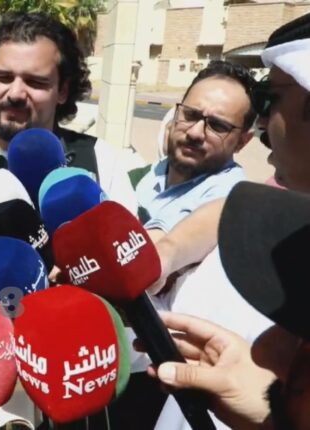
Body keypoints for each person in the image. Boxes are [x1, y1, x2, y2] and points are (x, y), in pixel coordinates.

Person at [147, 11, 310, 429]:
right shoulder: (284, 201)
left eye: (271, 99)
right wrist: (165, 252)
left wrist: (276, 416)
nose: (264, 122)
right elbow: (239, 208)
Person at [0, 12, 139, 214]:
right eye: (4, 77)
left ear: (62, 91)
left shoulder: (100, 161)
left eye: (35, 82)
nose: (15, 94)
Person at [133, 60, 256, 241]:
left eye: (217, 125)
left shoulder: (229, 200)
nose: (195, 133)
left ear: (242, 142)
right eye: (190, 115)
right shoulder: (151, 173)